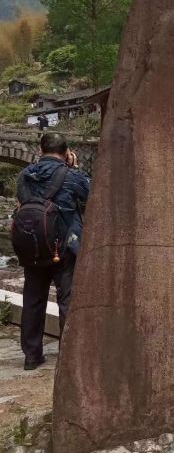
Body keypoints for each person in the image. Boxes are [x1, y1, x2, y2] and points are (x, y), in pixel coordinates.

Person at [16, 132, 90, 370]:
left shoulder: (25, 175)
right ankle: (68, 356)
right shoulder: (72, 176)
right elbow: (90, 195)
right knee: (67, 300)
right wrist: (75, 167)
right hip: (64, 248)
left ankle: (31, 356)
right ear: (67, 152)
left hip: (33, 246)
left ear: (41, 150)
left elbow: (23, 202)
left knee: (33, 300)